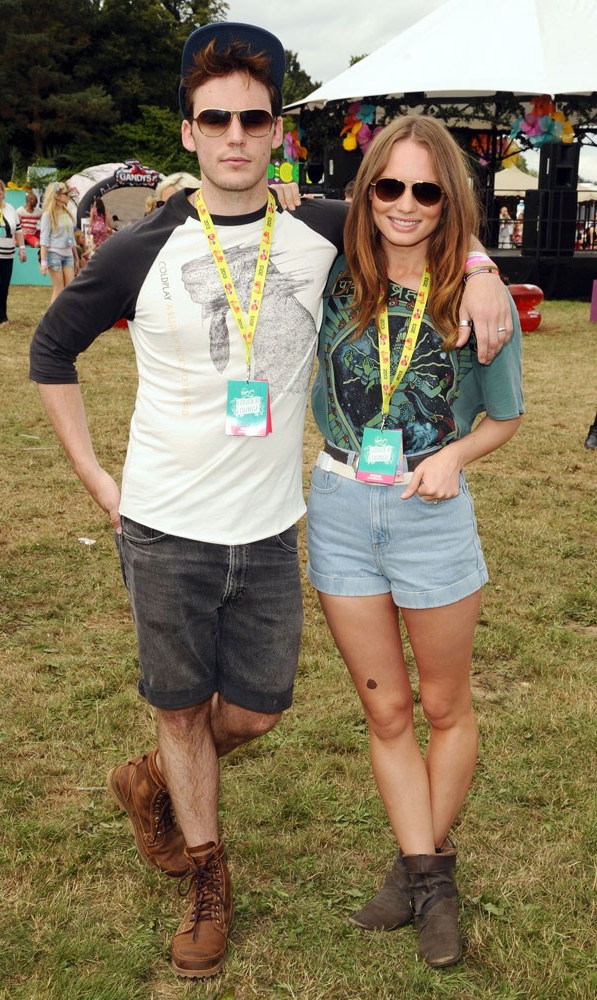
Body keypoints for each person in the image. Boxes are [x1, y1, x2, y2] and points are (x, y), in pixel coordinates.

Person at [29, 22, 512, 981]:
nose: (237, 137)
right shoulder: (141, 247)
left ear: (275, 133)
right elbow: (51, 350)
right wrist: (96, 477)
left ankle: (154, 778)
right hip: (165, 526)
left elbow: (422, 217)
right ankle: (208, 881)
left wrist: (490, 269)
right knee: (178, 710)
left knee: (254, 712)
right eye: (217, 120)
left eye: (255, 119)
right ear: (189, 131)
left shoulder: (322, 226)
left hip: (273, 527)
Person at [306, 116, 523, 969]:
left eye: (425, 190)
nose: (404, 205)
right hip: (339, 506)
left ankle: (421, 874)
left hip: (432, 514)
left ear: (449, 201)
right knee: (386, 710)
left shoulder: (475, 298)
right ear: (367, 192)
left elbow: (505, 417)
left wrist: (456, 457)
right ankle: (430, 875)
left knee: (442, 707)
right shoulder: (332, 271)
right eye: (387, 186)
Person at [39, 181, 79, 302]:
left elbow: (71, 236)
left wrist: (76, 257)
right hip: (54, 253)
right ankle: (52, 320)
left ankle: (63, 318)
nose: (68, 196)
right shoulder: (48, 215)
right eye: (66, 193)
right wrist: (43, 261)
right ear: (57, 195)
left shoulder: (67, 213)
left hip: (68, 254)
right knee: (59, 288)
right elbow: (44, 240)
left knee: (69, 289)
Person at [0, 178, 26, 324]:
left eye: (0, 192)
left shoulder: (11, 209)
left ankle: (2, 316)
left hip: (8, 254)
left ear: (3, 193)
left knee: (4, 286)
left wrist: (22, 249)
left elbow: (19, 231)